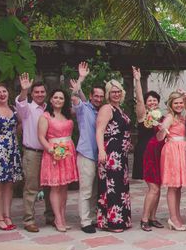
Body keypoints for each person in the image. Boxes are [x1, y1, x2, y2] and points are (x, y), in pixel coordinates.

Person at [69, 62, 105, 234]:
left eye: (101, 96)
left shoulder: (102, 111)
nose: (98, 99)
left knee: (96, 190)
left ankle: (92, 217)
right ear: (91, 96)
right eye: (96, 96)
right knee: (86, 190)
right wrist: (82, 77)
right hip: (86, 154)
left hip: (100, 156)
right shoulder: (83, 109)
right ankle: (85, 221)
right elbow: (74, 96)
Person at [16, 73, 54, 232]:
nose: (39, 94)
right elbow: (20, 104)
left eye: (42, 92)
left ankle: (51, 216)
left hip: (49, 153)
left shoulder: (49, 109)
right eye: (36, 92)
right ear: (32, 94)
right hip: (32, 153)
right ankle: (29, 220)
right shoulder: (27, 109)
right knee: (31, 187)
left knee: (50, 186)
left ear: (46, 93)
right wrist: (24, 90)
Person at [38, 88, 79, 232]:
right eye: (55, 97)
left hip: (67, 152)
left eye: (61, 98)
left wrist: (80, 80)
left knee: (64, 187)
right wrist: (51, 149)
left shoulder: (67, 115)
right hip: (53, 153)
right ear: (50, 99)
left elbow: (79, 101)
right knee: (55, 187)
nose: (58, 100)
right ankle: (57, 218)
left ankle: (62, 216)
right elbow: (41, 136)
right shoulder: (46, 116)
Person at [95, 79, 132, 232]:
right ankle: (111, 222)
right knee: (112, 186)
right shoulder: (106, 108)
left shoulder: (119, 109)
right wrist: (101, 151)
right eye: (113, 92)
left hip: (121, 154)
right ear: (108, 94)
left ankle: (122, 220)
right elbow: (99, 130)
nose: (116, 94)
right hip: (111, 153)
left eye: (118, 91)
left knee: (120, 186)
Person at [133, 67, 164, 232]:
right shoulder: (143, 116)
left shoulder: (161, 117)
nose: (152, 103)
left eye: (154, 101)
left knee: (158, 187)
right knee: (154, 188)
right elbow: (138, 100)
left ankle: (152, 217)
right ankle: (144, 219)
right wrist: (137, 80)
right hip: (146, 153)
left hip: (159, 154)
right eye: (149, 101)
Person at [158, 91, 186, 231]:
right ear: (171, 104)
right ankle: (173, 217)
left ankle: (176, 215)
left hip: (181, 150)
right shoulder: (170, 117)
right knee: (172, 186)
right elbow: (160, 137)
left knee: (178, 187)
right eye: (176, 103)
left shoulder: (181, 117)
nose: (179, 105)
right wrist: (162, 130)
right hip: (172, 151)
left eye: (181, 102)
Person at [0, 83, 23, 231]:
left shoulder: (13, 109)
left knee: (9, 185)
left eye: (4, 91)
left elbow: (18, 128)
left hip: (12, 149)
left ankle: (7, 215)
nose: (1, 94)